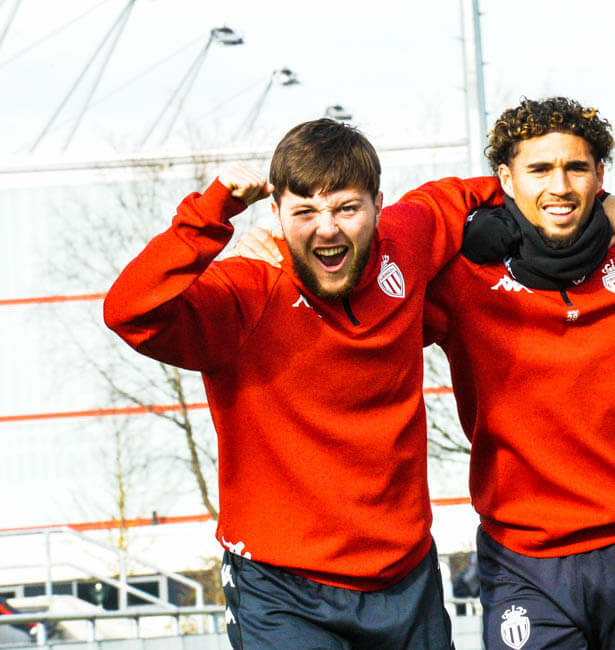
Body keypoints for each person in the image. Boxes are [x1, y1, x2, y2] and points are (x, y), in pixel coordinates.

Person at [104, 118, 510, 649]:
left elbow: (490, 189)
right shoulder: (246, 289)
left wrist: (603, 203)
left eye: (346, 208)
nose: (327, 229)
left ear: (378, 206)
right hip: (283, 589)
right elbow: (130, 310)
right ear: (275, 214)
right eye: (304, 212)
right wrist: (212, 212)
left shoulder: (407, 241)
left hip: (404, 576)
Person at [424, 97, 615, 649]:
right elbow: (365, 327)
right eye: (539, 169)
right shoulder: (462, 281)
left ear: (600, 175)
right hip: (524, 556)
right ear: (505, 178)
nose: (560, 185)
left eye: (576, 168)